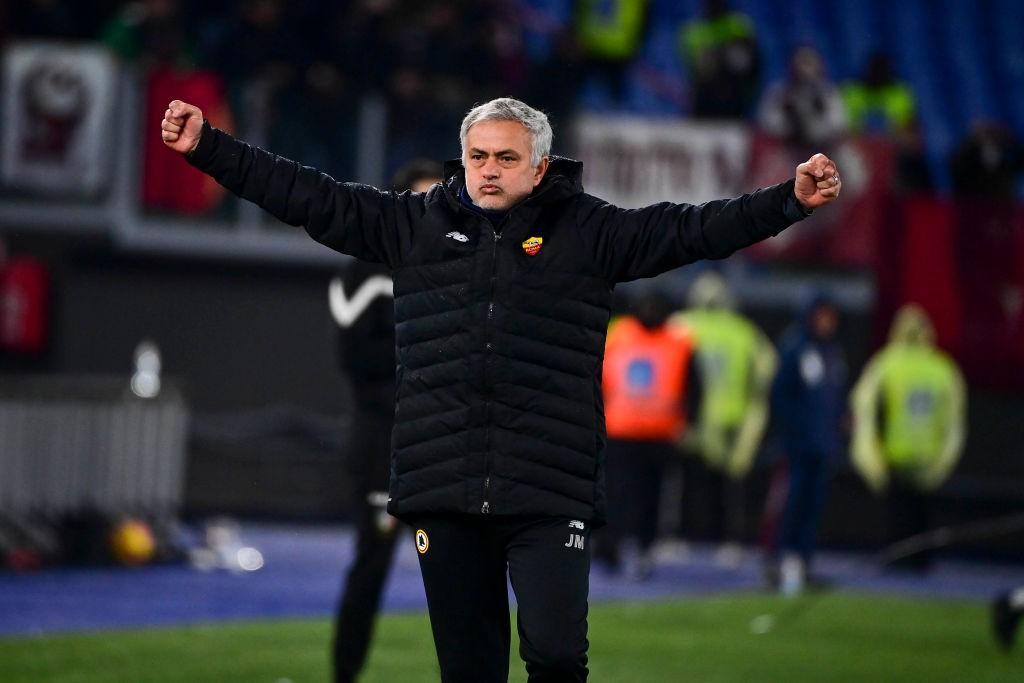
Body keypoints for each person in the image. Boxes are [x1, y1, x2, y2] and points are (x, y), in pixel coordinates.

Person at [161, 95, 842, 682]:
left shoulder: (591, 232)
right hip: (444, 484)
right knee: (468, 671)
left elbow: (693, 229)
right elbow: (306, 195)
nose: (488, 170)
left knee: (554, 658)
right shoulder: (412, 223)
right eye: (478, 156)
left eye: (506, 158)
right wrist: (209, 148)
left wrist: (787, 201)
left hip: (548, 486)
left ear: (541, 166)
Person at [330, 160, 442, 683]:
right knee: (371, 567)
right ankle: (345, 675)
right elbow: (355, 357)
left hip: (446, 445)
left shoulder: (460, 267)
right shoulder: (367, 268)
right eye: (419, 200)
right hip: (385, 444)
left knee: (462, 574)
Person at [670, 271, 777, 565]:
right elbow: (768, 370)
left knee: (684, 482)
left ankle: (678, 537)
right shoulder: (743, 331)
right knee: (728, 486)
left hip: (691, 418)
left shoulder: (681, 325)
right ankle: (730, 542)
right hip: (731, 417)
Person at [850, 304, 966, 571]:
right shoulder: (942, 368)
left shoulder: (887, 363)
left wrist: (868, 458)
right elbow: (954, 422)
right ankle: (921, 561)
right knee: (921, 514)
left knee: (898, 514)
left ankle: (899, 561)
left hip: (897, 453)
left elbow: (862, 407)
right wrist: (945, 461)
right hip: (928, 455)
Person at [596, 291, 700, 580]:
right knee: (616, 494)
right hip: (621, 431)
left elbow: (694, 385)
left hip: (660, 434)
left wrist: (689, 423)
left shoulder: (680, 340)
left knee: (651, 498)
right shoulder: (618, 334)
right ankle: (610, 547)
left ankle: (643, 549)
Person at [765, 292, 846, 594]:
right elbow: (780, 396)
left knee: (813, 507)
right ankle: (780, 561)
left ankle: (804, 562)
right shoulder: (794, 348)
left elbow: (833, 397)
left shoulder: (831, 353)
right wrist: (792, 433)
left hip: (822, 446)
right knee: (790, 504)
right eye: (823, 315)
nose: (828, 322)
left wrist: (839, 422)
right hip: (797, 446)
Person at [680, 0, 760, 120]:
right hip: (705, 103)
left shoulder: (738, 26)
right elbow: (696, 70)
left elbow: (750, 65)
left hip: (735, 102)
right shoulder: (693, 32)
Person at [758, 46, 847, 152]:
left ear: (819, 66)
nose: (805, 70)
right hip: (787, 147)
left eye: (809, 64)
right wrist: (792, 126)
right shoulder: (779, 92)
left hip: (823, 147)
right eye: (802, 63)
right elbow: (768, 122)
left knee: (846, 155)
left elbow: (839, 122)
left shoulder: (828, 92)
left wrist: (815, 128)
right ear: (792, 66)